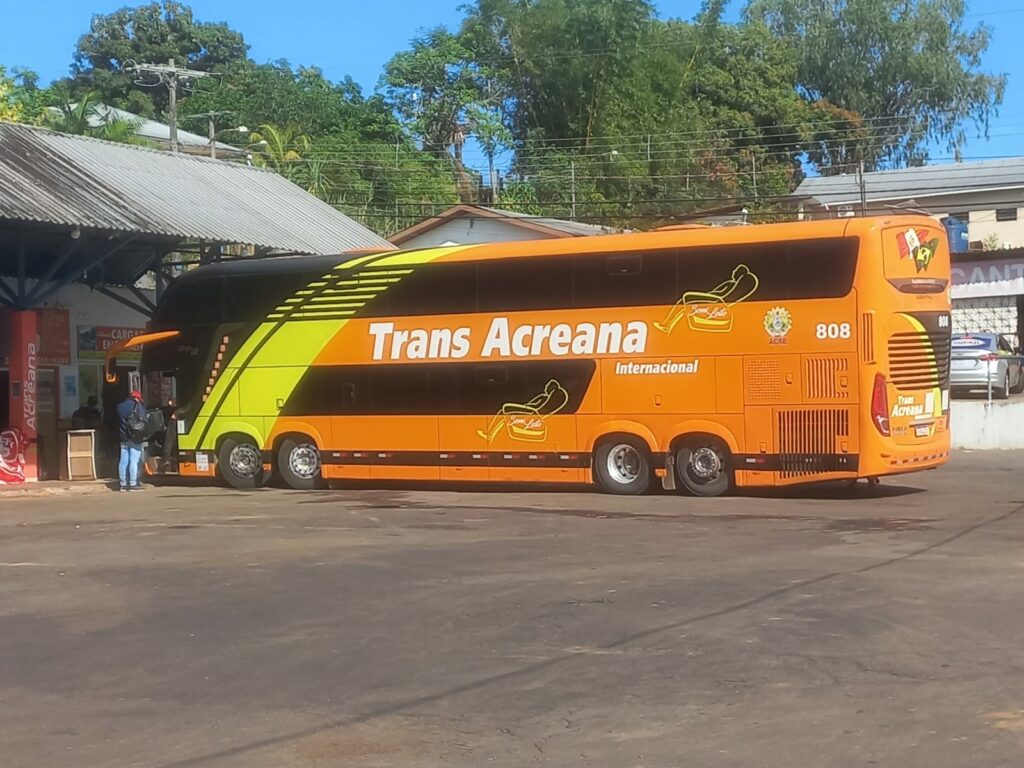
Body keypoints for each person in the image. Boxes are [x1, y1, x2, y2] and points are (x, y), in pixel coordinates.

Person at [116, 390, 146, 491]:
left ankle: (123, 484)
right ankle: (133, 484)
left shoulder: (120, 406)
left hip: (123, 437)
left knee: (123, 461)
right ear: (137, 398)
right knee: (134, 461)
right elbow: (144, 420)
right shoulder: (137, 405)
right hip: (135, 437)